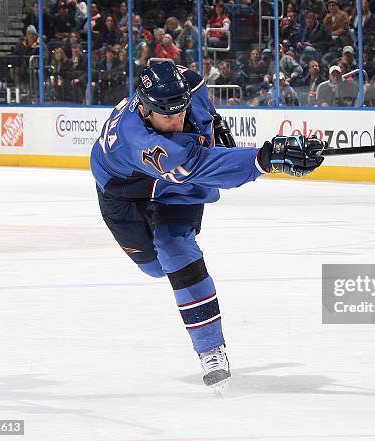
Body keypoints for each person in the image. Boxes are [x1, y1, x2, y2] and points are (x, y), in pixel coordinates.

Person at [90, 62, 323, 392]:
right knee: (156, 269)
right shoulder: (139, 139)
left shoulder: (185, 89)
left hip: (174, 188)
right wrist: (265, 159)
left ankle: (211, 349)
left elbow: (194, 83)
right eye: (165, 116)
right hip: (126, 193)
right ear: (143, 108)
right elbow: (202, 166)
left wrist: (213, 120)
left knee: (176, 250)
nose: (176, 121)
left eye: (180, 111)